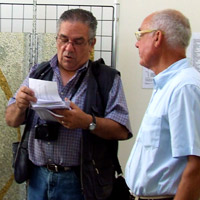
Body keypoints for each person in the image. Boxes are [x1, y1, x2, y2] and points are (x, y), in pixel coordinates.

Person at [5, 8, 132, 200]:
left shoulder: (106, 79)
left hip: (81, 180)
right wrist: (20, 105)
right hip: (38, 178)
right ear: (57, 39)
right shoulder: (38, 72)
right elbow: (11, 120)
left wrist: (87, 122)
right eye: (63, 39)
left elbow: (122, 130)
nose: (68, 48)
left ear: (92, 43)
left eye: (78, 42)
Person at [125, 9, 200, 200]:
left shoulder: (184, 87)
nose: (136, 43)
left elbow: (196, 166)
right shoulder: (166, 85)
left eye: (140, 35)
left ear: (157, 37)